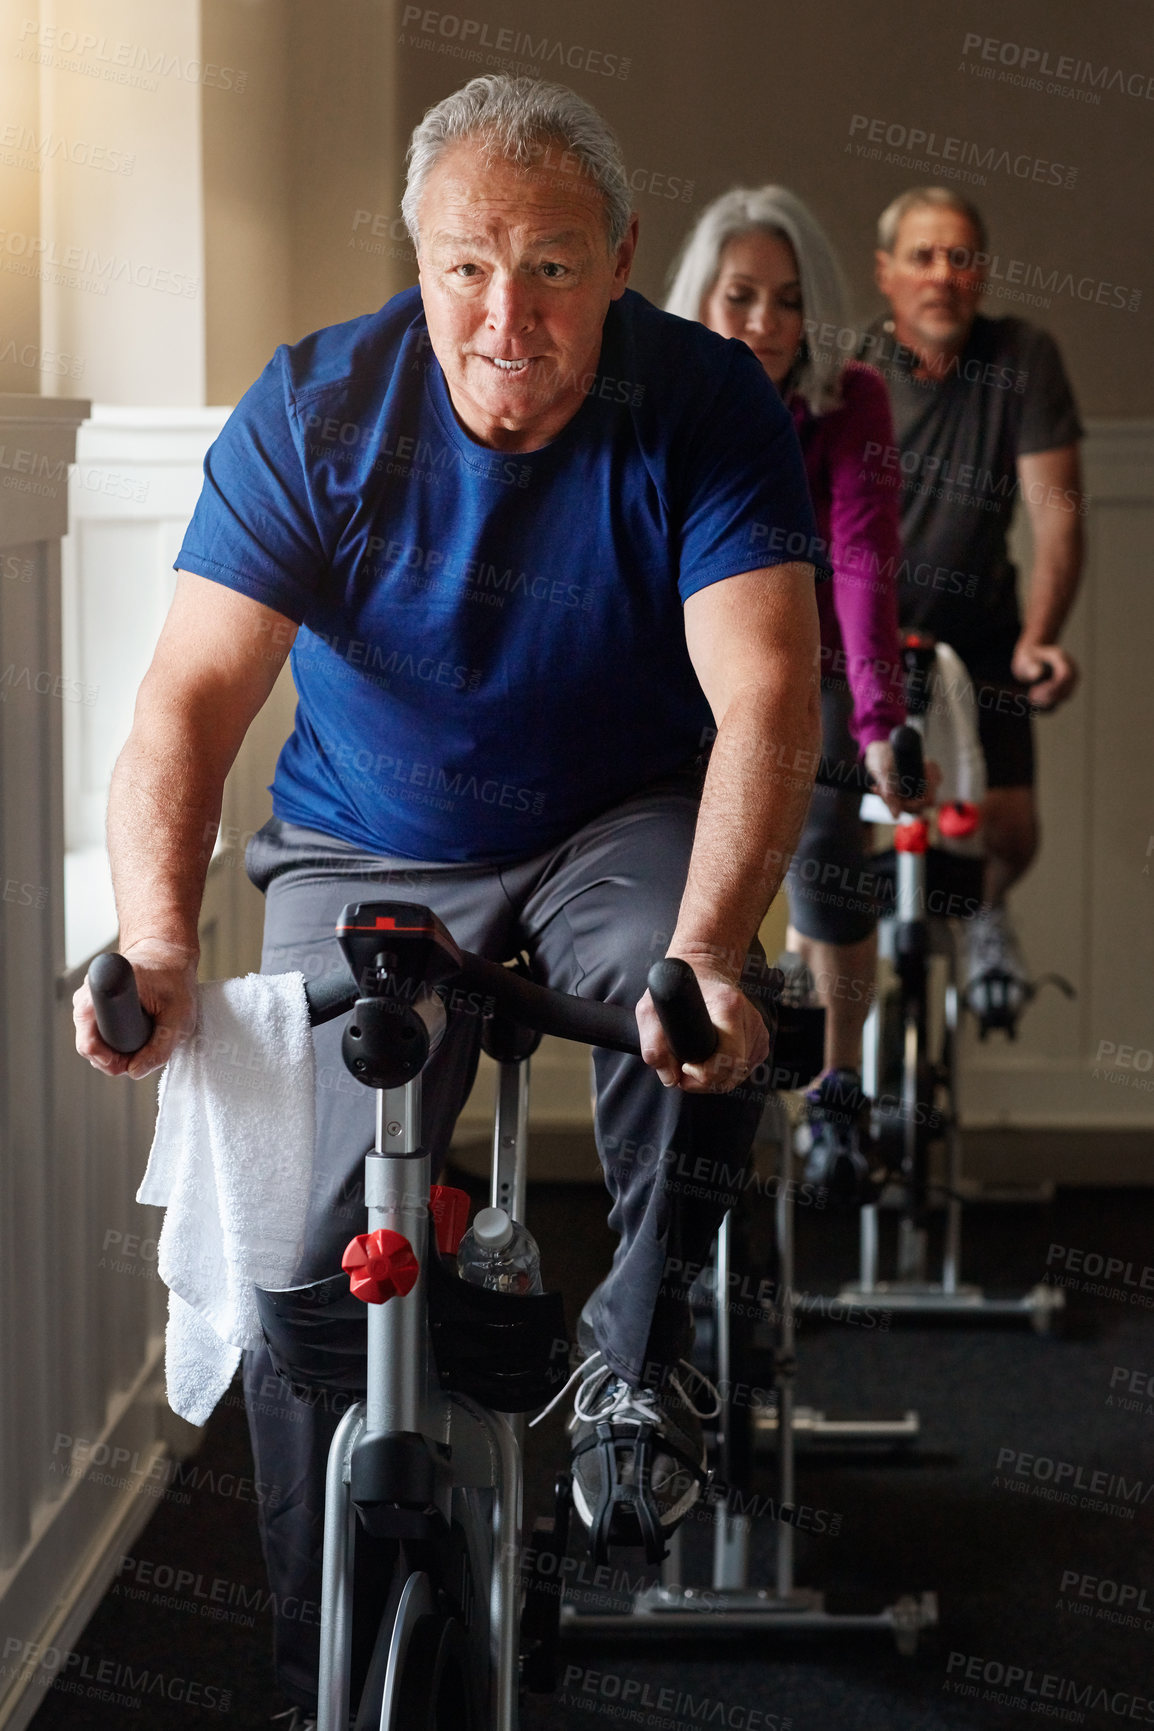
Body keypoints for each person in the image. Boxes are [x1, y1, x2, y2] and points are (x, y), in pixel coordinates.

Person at [73, 76, 823, 1716]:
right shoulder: (313, 407)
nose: (505, 314)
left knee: (669, 991)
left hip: (611, 820)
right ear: (413, 259)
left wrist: (707, 950)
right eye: (465, 265)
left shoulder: (700, 402)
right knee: (294, 1253)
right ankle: (308, 1672)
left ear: (620, 258)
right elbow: (183, 704)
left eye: (551, 265)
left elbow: (766, 695)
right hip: (358, 847)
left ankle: (634, 1365)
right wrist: (148, 940)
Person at [668, 187, 926, 1189]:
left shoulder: (846, 397)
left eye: (785, 300)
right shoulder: (666, 391)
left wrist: (876, 723)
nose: (763, 324)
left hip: (806, 668)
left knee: (823, 837)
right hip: (681, 662)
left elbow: (861, 562)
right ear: (702, 297)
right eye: (739, 296)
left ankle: (834, 1089)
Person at [863, 186, 1084, 1021]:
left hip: (982, 632)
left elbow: (1056, 517)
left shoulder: (1022, 357)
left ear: (982, 273)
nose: (943, 275)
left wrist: (1039, 640)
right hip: (864, 636)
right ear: (885, 274)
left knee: (1008, 832)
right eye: (922, 256)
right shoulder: (852, 370)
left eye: (961, 257)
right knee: (828, 834)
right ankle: (835, 973)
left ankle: (981, 913)